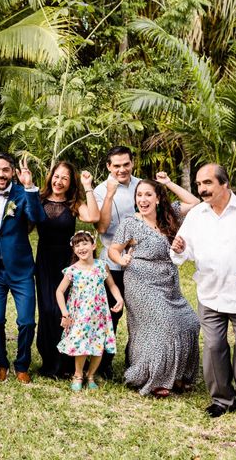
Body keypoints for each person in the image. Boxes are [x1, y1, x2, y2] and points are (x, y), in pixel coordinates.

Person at [170, 164, 236, 428]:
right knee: (214, 347)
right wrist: (179, 248)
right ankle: (221, 399)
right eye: (198, 184)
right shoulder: (196, 216)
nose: (201, 189)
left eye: (207, 183)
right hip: (210, 292)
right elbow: (180, 253)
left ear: (224, 184)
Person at [109, 173, 200, 397]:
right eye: (139, 195)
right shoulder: (130, 223)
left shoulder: (170, 216)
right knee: (164, 323)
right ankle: (153, 376)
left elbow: (194, 203)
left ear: (158, 198)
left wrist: (168, 183)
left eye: (148, 194)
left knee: (190, 322)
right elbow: (113, 250)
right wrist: (122, 260)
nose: (143, 199)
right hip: (140, 281)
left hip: (168, 283)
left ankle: (177, 374)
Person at [0, 154, 46, 384]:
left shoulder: (23, 194)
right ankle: (1, 362)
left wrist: (30, 187)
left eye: (5, 170)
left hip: (21, 269)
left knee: (26, 322)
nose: (1, 174)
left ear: (12, 172)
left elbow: (38, 218)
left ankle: (22, 365)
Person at [35, 161, 100, 378]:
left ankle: (66, 363)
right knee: (47, 310)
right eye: (56, 176)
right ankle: (48, 361)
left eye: (65, 178)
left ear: (70, 182)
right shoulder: (39, 200)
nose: (59, 181)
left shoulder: (74, 203)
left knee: (67, 310)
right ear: (50, 177)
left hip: (67, 262)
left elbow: (93, 217)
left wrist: (87, 185)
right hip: (44, 261)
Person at [93, 146, 140, 378]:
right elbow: (101, 228)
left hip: (141, 261)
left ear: (132, 163)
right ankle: (104, 363)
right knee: (111, 314)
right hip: (112, 263)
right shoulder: (101, 190)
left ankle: (138, 360)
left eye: (126, 164)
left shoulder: (142, 186)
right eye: (117, 165)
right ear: (109, 167)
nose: (122, 169)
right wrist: (110, 194)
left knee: (140, 314)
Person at [56, 231, 123, 391]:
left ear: (93, 245)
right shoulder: (73, 270)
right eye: (77, 245)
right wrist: (65, 313)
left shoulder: (101, 266)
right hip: (80, 315)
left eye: (85, 243)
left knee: (98, 345)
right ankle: (78, 374)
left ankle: (91, 374)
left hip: (99, 315)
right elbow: (59, 291)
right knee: (82, 345)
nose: (81, 247)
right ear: (74, 250)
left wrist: (119, 298)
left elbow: (112, 285)